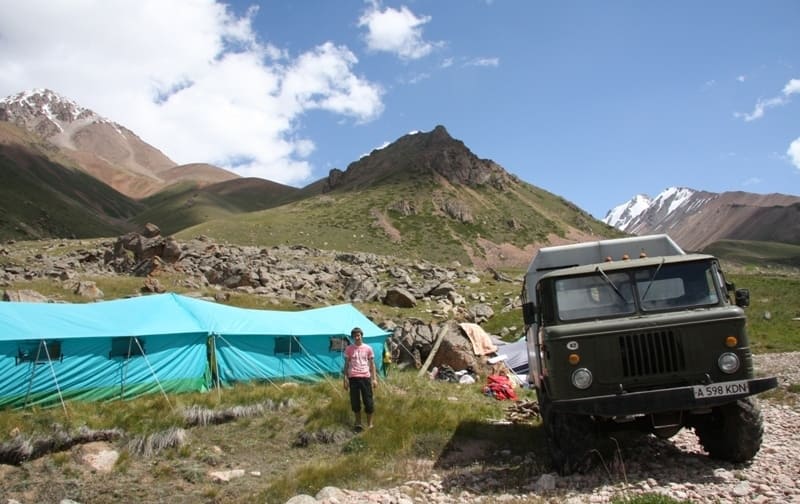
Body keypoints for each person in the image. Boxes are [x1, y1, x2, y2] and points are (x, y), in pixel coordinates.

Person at [343, 327, 377, 431]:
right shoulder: (349, 349)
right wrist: (345, 378)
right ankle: (358, 423)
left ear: (362, 335)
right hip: (353, 378)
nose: (357, 337)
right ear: (352, 337)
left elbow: (372, 364)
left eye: (358, 335)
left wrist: (374, 379)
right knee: (355, 402)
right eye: (354, 336)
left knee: (368, 401)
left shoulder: (368, 348)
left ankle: (370, 424)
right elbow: (346, 364)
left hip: (365, 378)